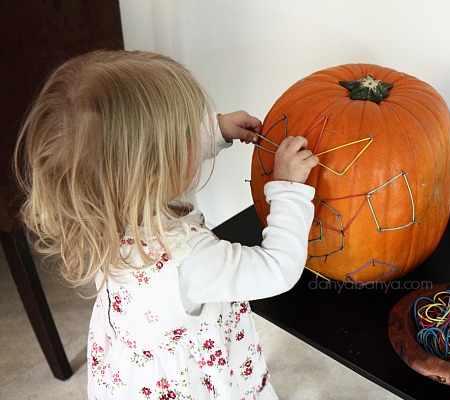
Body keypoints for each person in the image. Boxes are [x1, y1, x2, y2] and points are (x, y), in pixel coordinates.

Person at [14, 50, 319, 399]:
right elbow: (277, 268)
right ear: (156, 168)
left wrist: (215, 130)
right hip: (187, 381)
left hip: (133, 373)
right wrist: (289, 190)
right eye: (190, 132)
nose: (195, 132)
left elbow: (152, 156)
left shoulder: (95, 206)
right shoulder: (190, 258)